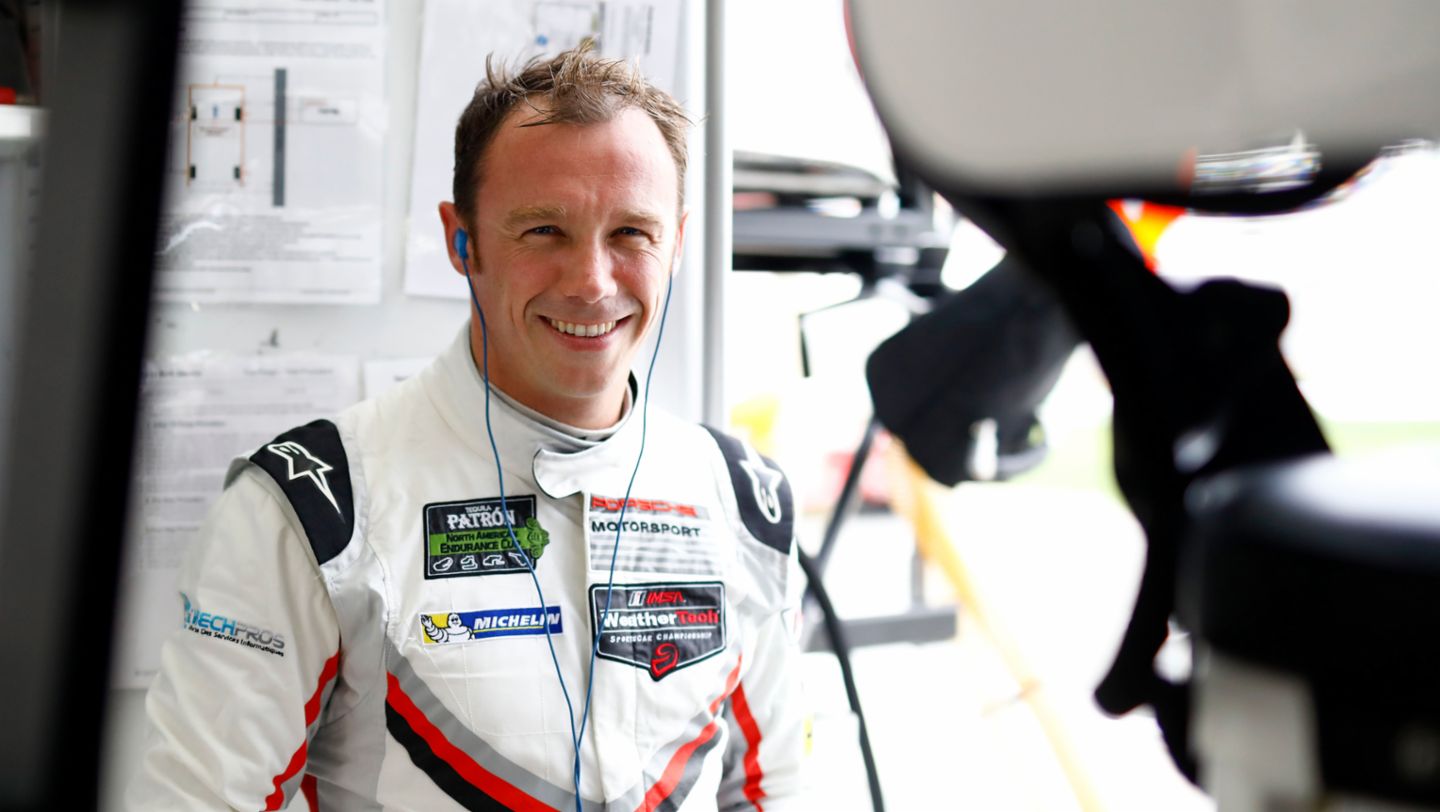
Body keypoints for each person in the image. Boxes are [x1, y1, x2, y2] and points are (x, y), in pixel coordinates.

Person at [129, 45, 806, 810]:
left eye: (631, 234)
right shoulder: (311, 508)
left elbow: (779, 788)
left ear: (676, 243)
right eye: (543, 230)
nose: (591, 281)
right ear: (462, 241)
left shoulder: (741, 502)